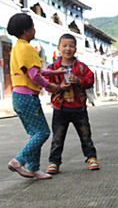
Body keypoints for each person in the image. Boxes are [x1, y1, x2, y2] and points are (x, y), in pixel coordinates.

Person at [6, 13, 64, 179]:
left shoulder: (17, 47)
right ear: (26, 30)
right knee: (42, 133)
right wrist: (51, 86)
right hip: (28, 97)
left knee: (35, 133)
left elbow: (33, 70)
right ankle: (19, 160)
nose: (34, 29)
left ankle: (33, 168)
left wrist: (53, 72)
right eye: (32, 26)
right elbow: (35, 76)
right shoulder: (28, 49)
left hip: (18, 97)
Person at [45, 33, 99, 174]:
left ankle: (91, 157)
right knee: (57, 137)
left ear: (76, 49)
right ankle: (54, 162)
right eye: (64, 46)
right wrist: (60, 87)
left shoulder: (81, 67)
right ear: (59, 48)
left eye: (71, 46)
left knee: (85, 135)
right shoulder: (53, 67)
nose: (68, 49)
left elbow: (90, 80)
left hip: (79, 108)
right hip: (60, 108)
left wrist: (79, 81)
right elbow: (46, 83)